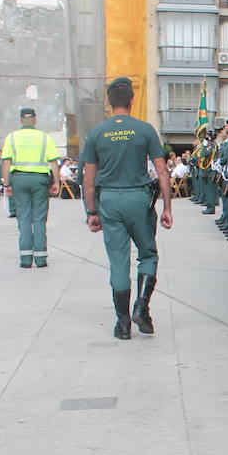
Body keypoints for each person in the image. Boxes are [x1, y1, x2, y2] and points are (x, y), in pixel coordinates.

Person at [81, 77, 173, 339]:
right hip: (138, 199)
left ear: (109, 103)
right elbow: (162, 171)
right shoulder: (144, 130)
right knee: (148, 254)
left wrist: (92, 211)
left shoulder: (97, 133)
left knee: (118, 262)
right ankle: (142, 306)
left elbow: (88, 179)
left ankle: (122, 323)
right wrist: (167, 207)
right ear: (132, 101)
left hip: (109, 200)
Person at [0, 107, 61, 268]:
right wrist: (56, 182)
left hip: (19, 179)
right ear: (35, 119)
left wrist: (6, 183)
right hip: (40, 180)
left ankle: (25, 259)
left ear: (21, 120)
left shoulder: (12, 137)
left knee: (24, 217)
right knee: (39, 219)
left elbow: (6, 162)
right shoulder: (44, 137)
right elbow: (53, 162)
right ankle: (41, 258)